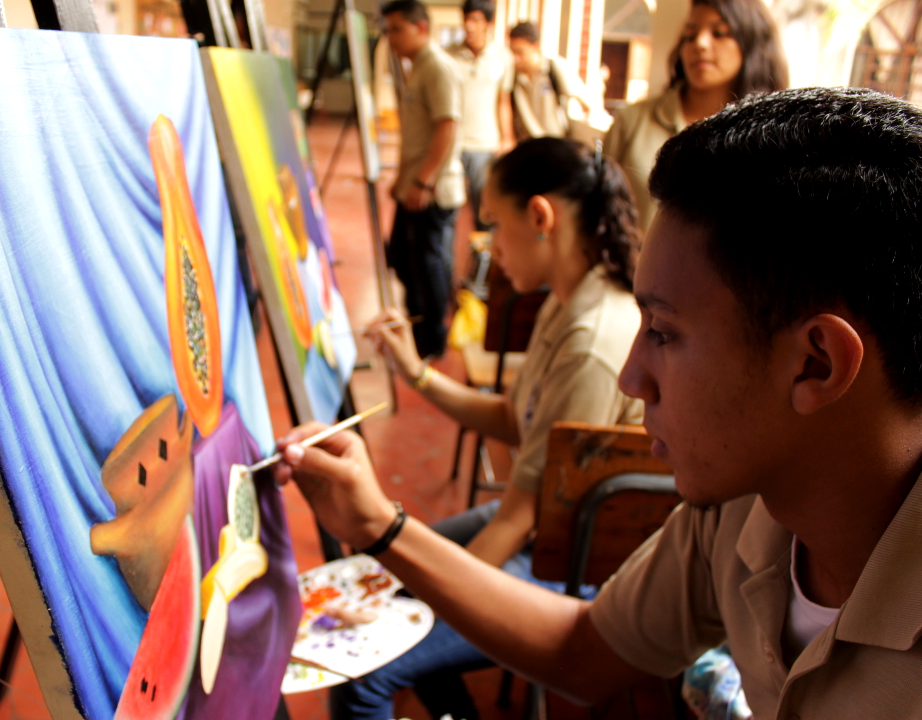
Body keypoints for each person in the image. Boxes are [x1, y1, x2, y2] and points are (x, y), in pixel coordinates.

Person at [275, 87, 922, 718]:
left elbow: (525, 527)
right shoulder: (743, 507)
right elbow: (585, 651)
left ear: (816, 364)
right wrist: (378, 526)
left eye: (664, 334)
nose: (631, 377)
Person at [332, 137, 644, 720]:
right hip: (536, 530)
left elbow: (518, 518)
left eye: (494, 227)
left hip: (567, 561)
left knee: (364, 669)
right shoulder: (568, 300)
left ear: (540, 216)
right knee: (389, 577)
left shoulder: (594, 337)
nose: (489, 249)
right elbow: (509, 416)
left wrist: (423, 599)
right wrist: (416, 372)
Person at [604, 0, 787, 231]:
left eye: (719, 33)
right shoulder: (633, 121)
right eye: (690, 36)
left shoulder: (768, 139)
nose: (699, 44)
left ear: (751, 42)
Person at [383, 0, 465, 358]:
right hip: (414, 185)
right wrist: (403, 180)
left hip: (432, 190)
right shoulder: (415, 67)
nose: (390, 38)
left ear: (421, 28)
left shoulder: (437, 67)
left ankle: (432, 338)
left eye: (397, 29)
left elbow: (447, 126)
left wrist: (423, 182)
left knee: (429, 260)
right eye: (387, 31)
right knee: (401, 254)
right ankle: (419, 325)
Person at [447, 0, 515, 232]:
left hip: (485, 146)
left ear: (488, 23)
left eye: (476, 20)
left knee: (484, 212)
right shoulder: (448, 57)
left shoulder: (503, 57)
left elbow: (503, 101)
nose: (469, 26)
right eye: (466, 19)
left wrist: (507, 138)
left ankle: (481, 266)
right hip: (452, 144)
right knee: (449, 210)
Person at [508, 22, 596, 143]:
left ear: (536, 46)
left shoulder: (554, 68)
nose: (515, 58)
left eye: (520, 52)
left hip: (555, 144)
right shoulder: (512, 75)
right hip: (527, 146)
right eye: (512, 52)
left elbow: (586, 103)